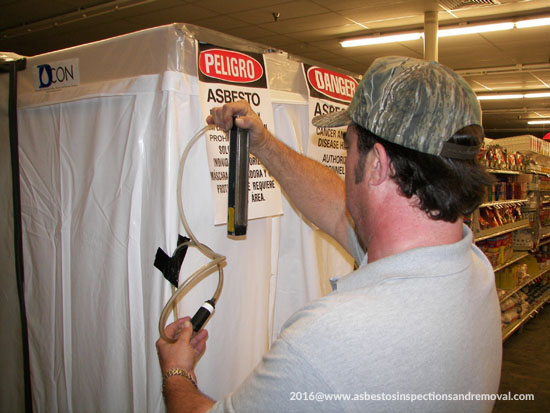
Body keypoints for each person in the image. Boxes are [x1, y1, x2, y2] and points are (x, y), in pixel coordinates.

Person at [156, 56, 502, 412]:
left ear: (377, 165)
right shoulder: (472, 270)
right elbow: (339, 211)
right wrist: (262, 143)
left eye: (348, 143)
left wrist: (176, 371)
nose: (346, 154)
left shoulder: (327, 342)